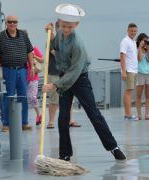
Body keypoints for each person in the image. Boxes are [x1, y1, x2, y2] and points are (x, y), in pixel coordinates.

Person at [43, 4, 126, 161]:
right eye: (64, 25)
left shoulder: (78, 44)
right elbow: (52, 47)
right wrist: (50, 34)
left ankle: (113, 147)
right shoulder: (60, 33)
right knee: (63, 117)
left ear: (76, 25)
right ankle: (65, 154)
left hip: (79, 79)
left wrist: (55, 85)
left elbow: (74, 72)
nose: (66, 29)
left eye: (70, 26)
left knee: (93, 114)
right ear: (59, 21)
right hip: (64, 76)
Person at [0, 15, 35, 131]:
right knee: (7, 96)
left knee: (23, 96)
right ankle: (6, 123)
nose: (12, 24)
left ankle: (24, 122)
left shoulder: (23, 35)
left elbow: (29, 52)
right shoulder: (0, 37)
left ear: (17, 23)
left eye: (15, 22)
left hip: (22, 69)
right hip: (8, 70)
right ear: (6, 23)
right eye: (10, 22)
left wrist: (31, 67)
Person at [46, 21, 81, 129]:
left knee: (70, 97)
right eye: (62, 27)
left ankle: (71, 120)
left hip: (67, 74)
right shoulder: (53, 40)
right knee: (54, 99)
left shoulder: (71, 41)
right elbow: (55, 52)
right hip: (54, 73)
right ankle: (51, 121)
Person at [120, 23, 139, 121]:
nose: (133, 32)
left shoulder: (133, 41)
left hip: (134, 70)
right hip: (129, 70)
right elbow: (122, 56)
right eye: (131, 31)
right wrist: (124, 71)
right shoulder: (125, 41)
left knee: (130, 92)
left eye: (135, 31)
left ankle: (128, 114)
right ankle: (128, 115)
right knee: (128, 92)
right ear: (127, 31)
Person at [135, 33, 149, 120]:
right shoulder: (136, 49)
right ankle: (139, 114)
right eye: (143, 40)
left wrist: (148, 50)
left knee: (148, 95)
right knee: (139, 95)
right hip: (140, 73)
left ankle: (147, 114)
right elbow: (139, 59)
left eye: (146, 40)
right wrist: (140, 47)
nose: (145, 42)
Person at [28, 45, 44, 125]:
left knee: (33, 97)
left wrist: (34, 56)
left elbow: (42, 60)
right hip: (23, 77)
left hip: (33, 78)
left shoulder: (34, 48)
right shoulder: (19, 49)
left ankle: (38, 114)